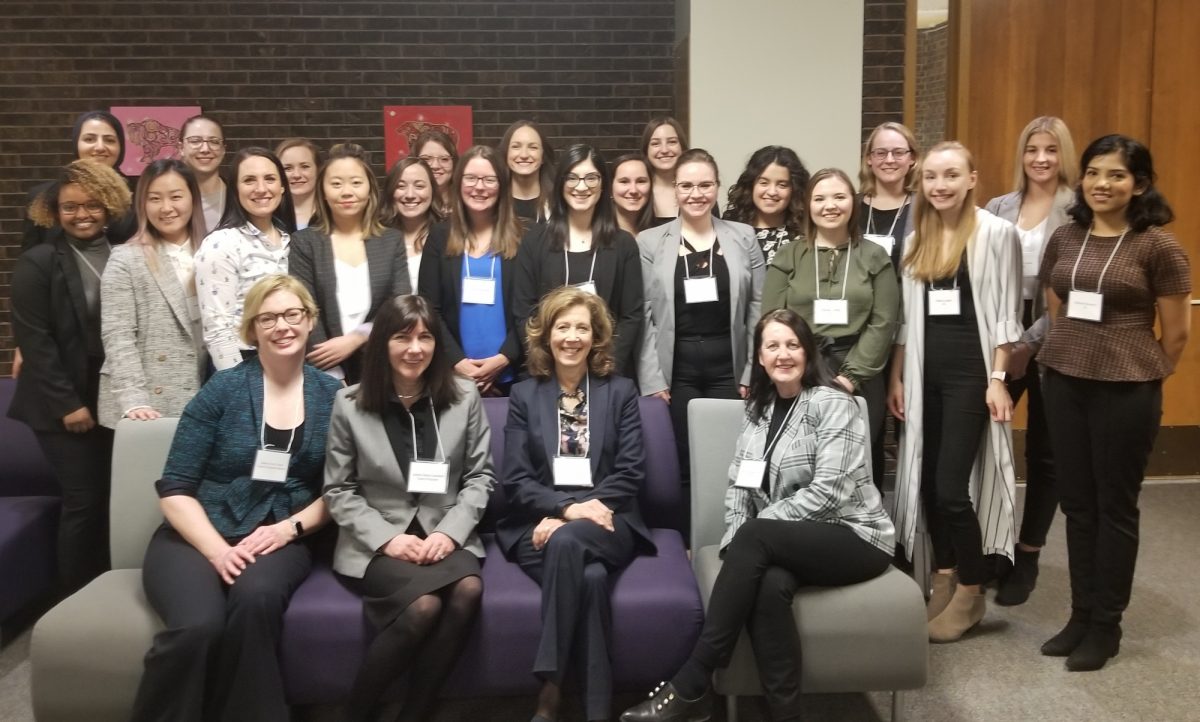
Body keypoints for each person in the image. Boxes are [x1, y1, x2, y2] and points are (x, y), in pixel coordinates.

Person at [620, 310, 895, 722]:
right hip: (791, 542)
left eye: (792, 345)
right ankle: (785, 714)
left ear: (807, 353)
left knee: (755, 538)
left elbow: (830, 492)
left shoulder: (834, 404)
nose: (783, 354)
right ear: (761, 358)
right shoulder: (757, 412)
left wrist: (754, 533)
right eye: (772, 346)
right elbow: (739, 488)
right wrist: (740, 535)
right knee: (768, 583)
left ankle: (694, 679)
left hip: (854, 535)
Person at [128, 275, 341, 722]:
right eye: (268, 318)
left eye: (291, 314)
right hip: (195, 536)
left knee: (257, 599)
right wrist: (218, 552)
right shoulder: (221, 390)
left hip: (282, 534)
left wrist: (288, 529)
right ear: (252, 329)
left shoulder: (333, 396)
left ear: (309, 321)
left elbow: (339, 489)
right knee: (197, 626)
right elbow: (175, 488)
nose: (282, 325)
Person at [1036, 135, 1190, 671]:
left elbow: (1175, 334)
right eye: (1094, 172)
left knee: (1114, 506)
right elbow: (1057, 306)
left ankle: (1107, 626)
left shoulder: (1158, 246)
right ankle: (1080, 615)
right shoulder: (1066, 236)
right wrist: (1076, 353)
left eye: (1117, 175)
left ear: (1140, 184)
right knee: (1077, 504)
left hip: (1127, 389)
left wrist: (1139, 373)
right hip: (1065, 379)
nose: (1102, 184)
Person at [324, 295, 492, 722]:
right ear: (382, 343)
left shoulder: (465, 396)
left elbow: (480, 478)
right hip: (378, 540)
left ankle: (415, 713)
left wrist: (448, 534)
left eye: (425, 337)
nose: (415, 348)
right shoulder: (349, 403)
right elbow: (338, 489)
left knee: (468, 590)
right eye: (402, 337)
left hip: (444, 531)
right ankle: (356, 714)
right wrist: (389, 540)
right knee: (423, 607)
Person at [499, 286, 656, 722]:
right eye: (562, 327)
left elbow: (629, 472)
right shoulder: (524, 396)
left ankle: (550, 688)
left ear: (596, 336)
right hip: (537, 525)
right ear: (546, 336)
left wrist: (577, 512)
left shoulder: (620, 391)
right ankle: (596, 711)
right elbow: (515, 478)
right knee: (588, 579)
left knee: (568, 545)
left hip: (610, 520)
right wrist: (564, 511)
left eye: (582, 328)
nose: (572, 337)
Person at [887, 141, 1023, 643]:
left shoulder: (996, 233)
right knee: (924, 483)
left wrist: (998, 378)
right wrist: (898, 376)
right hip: (925, 374)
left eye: (951, 176)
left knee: (951, 488)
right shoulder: (917, 235)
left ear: (972, 179)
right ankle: (942, 577)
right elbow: (905, 318)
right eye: (931, 178)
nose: (940, 186)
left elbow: (1009, 313)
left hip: (971, 375)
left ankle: (971, 589)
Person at [9, 159, 132, 594]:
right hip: (59, 404)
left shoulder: (124, 252)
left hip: (109, 399)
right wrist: (69, 405)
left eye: (93, 205)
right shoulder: (38, 262)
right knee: (83, 500)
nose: (82, 215)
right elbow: (35, 341)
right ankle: (74, 595)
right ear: (53, 211)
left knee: (111, 498)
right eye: (70, 207)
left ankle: (108, 585)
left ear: (110, 206)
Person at [983, 116, 1078, 605]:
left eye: (1050, 150)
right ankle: (994, 544)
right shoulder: (1000, 206)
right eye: (1032, 150)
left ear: (1064, 155)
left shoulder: (1078, 210)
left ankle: (1029, 550)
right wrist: (1006, 343)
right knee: (986, 433)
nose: (1040, 159)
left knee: (1045, 451)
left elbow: (1072, 291)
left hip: (1054, 336)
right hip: (1000, 331)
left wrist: (1029, 344)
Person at [761, 168, 900, 489]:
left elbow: (883, 322)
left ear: (853, 203)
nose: (830, 205)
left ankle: (865, 534)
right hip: (801, 369)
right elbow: (772, 320)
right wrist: (800, 369)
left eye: (839, 197)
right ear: (808, 204)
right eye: (820, 198)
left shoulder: (874, 256)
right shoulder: (790, 255)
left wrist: (851, 377)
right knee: (804, 457)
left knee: (862, 456)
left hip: (861, 371)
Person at [637, 148, 764, 480]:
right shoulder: (650, 242)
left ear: (717, 187)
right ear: (674, 189)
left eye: (705, 185)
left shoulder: (743, 236)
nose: (696, 194)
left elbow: (758, 309)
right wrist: (652, 379)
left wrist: (751, 372)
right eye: (686, 186)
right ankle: (687, 532)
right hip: (676, 371)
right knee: (681, 458)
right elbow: (645, 315)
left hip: (730, 367)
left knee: (729, 457)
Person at [514, 144, 644, 376]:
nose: (581, 187)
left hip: (606, 372)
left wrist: (607, 363)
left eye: (591, 178)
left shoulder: (623, 244)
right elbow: (523, 310)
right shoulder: (534, 241)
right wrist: (546, 360)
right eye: (572, 178)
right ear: (561, 184)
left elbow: (632, 316)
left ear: (603, 184)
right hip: (546, 371)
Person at [99, 159, 209, 428]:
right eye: (155, 198)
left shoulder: (213, 251)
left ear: (193, 199)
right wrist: (134, 400)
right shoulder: (126, 258)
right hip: (147, 402)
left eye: (176, 197)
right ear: (142, 204)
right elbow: (118, 335)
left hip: (203, 393)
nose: (166, 208)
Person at [289, 143, 411, 384]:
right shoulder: (305, 243)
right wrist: (331, 374)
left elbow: (398, 303)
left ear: (369, 189)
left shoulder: (390, 240)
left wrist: (357, 338)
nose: (347, 192)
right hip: (323, 370)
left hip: (383, 365)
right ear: (323, 190)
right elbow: (305, 307)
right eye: (336, 184)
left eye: (356, 182)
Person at [418, 145, 523, 395]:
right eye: (471, 178)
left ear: (502, 186)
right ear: (458, 183)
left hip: (513, 374)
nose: (479, 187)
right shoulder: (439, 236)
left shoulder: (525, 238)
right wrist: (458, 363)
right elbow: (429, 307)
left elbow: (533, 309)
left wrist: (504, 358)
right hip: (453, 375)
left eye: (489, 179)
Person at [195, 147, 298, 371]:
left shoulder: (294, 241)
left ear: (282, 187)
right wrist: (238, 387)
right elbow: (218, 331)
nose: (261, 189)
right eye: (249, 180)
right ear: (235, 190)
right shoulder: (221, 243)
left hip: (291, 359)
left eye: (270, 179)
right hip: (243, 363)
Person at [22, 110, 137, 252]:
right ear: (76, 144)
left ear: (121, 148)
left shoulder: (139, 196)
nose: (100, 147)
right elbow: (30, 258)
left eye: (109, 140)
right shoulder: (42, 197)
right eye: (89, 139)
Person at [723, 145, 810, 265]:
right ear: (751, 185)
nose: (772, 192)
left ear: (794, 189)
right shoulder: (730, 227)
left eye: (782, 185)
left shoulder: (806, 232)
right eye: (764, 183)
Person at [858, 122, 919, 270]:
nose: (890, 160)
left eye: (898, 152)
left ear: (912, 158)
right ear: (869, 159)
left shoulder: (925, 208)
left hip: (905, 293)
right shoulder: (850, 206)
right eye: (881, 153)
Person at [381, 156, 443, 294]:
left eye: (419, 186)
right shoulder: (377, 238)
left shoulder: (446, 236)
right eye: (401, 186)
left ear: (432, 190)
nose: (410, 194)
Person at [179, 114, 228, 231]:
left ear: (223, 150)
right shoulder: (166, 198)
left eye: (214, 142)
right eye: (195, 141)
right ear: (181, 148)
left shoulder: (238, 197)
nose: (205, 149)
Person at [500, 120, 555, 223]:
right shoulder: (494, 202)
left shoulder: (558, 204)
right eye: (516, 147)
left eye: (533, 147)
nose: (524, 155)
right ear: (506, 154)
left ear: (543, 156)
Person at [640, 117, 687, 227]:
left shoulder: (698, 191)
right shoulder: (637, 192)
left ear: (682, 147)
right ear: (646, 150)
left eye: (672, 142)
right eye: (655, 144)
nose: (664, 150)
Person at [276, 137, 323, 230]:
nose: (296, 175)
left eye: (305, 166)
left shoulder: (333, 215)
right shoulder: (271, 217)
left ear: (318, 169)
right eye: (288, 168)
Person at [413, 129, 459, 217]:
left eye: (444, 159)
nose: (435, 166)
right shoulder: (408, 203)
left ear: (454, 163)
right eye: (426, 159)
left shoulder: (465, 204)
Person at [610, 153, 654, 236]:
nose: (633, 190)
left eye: (641, 181)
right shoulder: (595, 234)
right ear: (610, 187)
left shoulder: (663, 233)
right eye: (624, 181)